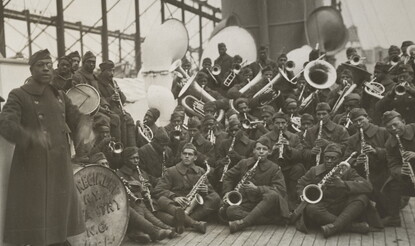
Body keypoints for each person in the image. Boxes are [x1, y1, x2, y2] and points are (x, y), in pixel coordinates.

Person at [0, 49, 91, 245]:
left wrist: (84, 126)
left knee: (58, 213)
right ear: (31, 69)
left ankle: (58, 240)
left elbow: (76, 116)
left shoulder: (59, 95)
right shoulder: (18, 95)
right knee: (38, 219)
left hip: (59, 165)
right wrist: (31, 137)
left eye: (49, 65)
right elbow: (6, 124)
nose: (46, 69)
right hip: (34, 168)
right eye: (41, 65)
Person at [296, 144, 372, 237]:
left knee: (362, 198)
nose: (329, 161)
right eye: (326, 158)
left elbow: (368, 186)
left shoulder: (348, 171)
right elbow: (300, 184)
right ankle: (352, 227)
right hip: (324, 207)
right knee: (311, 209)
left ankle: (334, 226)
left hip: (343, 206)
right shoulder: (314, 170)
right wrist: (302, 196)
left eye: (333, 158)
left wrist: (344, 184)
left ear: (339, 160)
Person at [221, 138, 290, 233]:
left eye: (264, 149)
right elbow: (228, 176)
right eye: (258, 149)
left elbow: (280, 190)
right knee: (231, 210)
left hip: (266, 204)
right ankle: (272, 220)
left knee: (272, 195)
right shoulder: (244, 163)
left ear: (269, 152)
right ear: (253, 150)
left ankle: (243, 223)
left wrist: (258, 189)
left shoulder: (274, 168)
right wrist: (227, 192)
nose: (261, 152)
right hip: (248, 204)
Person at [153, 143, 222, 234]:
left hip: (194, 207)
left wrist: (205, 190)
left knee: (215, 197)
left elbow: (211, 191)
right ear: (181, 155)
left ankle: (181, 221)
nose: (187, 156)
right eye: (184, 154)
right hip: (176, 205)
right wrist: (174, 197)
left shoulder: (200, 171)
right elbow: (158, 190)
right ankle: (191, 222)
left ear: (195, 157)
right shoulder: (171, 171)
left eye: (190, 154)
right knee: (161, 200)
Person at [117, 147, 175, 243]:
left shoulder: (141, 172)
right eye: (133, 158)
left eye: (138, 158)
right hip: (132, 205)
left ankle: (149, 231)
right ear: (126, 160)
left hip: (146, 203)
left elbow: (154, 183)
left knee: (152, 212)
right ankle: (155, 231)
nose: (136, 161)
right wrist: (139, 188)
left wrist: (149, 186)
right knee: (142, 209)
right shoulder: (120, 174)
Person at [344, 108, 390, 217]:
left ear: (367, 118)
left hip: (383, 172)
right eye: (355, 122)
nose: (359, 124)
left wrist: (376, 151)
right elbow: (346, 158)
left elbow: (394, 153)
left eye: (361, 119)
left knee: (382, 207)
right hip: (362, 174)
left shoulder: (383, 132)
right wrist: (355, 161)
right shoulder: (352, 139)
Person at [259, 111, 306, 209]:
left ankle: (292, 200)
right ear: (272, 124)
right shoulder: (265, 138)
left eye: (283, 123)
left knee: (299, 168)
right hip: (272, 168)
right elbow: (256, 154)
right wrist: (271, 151)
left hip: (288, 169)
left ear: (287, 124)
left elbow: (301, 155)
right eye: (277, 123)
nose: (281, 126)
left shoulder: (294, 137)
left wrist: (289, 148)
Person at [381, 110, 415, 226]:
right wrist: (400, 171)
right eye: (390, 127)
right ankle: (394, 217)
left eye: (396, 124)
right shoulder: (390, 143)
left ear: (404, 122)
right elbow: (392, 165)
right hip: (409, 175)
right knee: (391, 183)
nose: (394, 129)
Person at [215, 118, 255, 192]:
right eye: (231, 130)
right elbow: (216, 161)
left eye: (236, 130)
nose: (233, 133)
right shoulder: (224, 143)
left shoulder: (251, 143)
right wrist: (222, 161)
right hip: (228, 172)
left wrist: (239, 157)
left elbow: (253, 161)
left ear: (241, 130)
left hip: (243, 171)